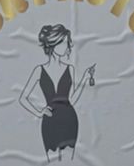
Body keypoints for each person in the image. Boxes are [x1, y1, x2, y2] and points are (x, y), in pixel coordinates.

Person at [18, 23, 94, 158]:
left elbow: (72, 99)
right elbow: (23, 98)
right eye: (65, 42)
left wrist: (85, 79)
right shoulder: (39, 70)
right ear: (55, 43)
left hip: (69, 119)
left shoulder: (70, 69)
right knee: (51, 163)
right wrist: (39, 111)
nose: (68, 46)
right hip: (50, 122)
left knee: (68, 162)